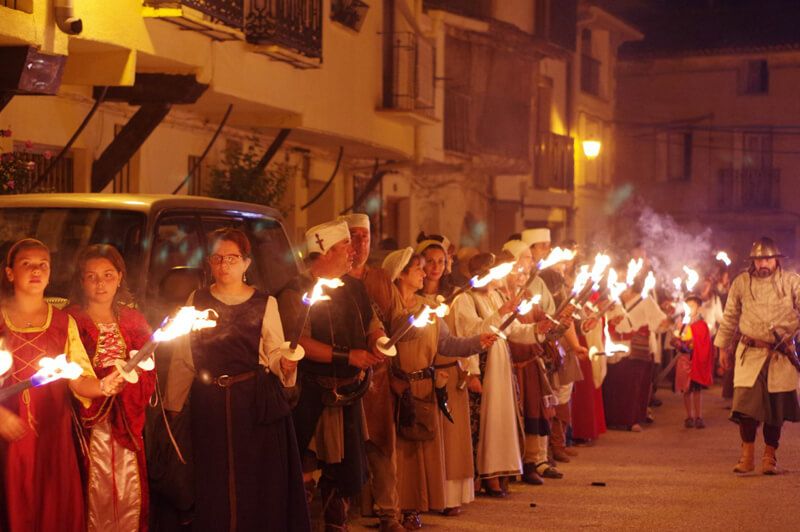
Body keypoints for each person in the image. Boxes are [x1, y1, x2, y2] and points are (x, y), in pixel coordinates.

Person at [165, 228, 309, 531]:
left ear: (245, 263)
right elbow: (183, 358)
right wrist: (173, 407)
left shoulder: (264, 303)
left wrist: (286, 365)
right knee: (212, 479)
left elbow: (273, 354)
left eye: (231, 258)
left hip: (252, 406)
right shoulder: (198, 300)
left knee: (253, 482)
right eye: (217, 258)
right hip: (210, 405)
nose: (224, 265)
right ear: (209, 263)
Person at [0, 238, 124, 532]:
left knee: (52, 509)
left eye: (43, 264)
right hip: (7, 437)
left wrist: (104, 386)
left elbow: (79, 379)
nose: (36, 270)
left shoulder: (62, 322)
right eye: (26, 264)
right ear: (9, 273)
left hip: (52, 434)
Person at [278, 220, 384, 532]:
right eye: (344, 246)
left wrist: (378, 341)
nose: (353, 252)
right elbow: (298, 341)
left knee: (344, 475)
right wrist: (348, 355)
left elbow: (371, 322)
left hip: (348, 393)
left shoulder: (354, 287)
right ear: (324, 251)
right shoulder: (295, 290)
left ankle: (336, 526)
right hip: (311, 395)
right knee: (306, 467)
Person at [382, 249, 495, 530]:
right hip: (394, 385)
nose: (424, 273)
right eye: (418, 268)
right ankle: (388, 509)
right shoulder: (387, 306)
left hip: (423, 386)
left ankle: (411, 507)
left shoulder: (428, 307)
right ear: (402, 274)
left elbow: (447, 344)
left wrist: (476, 342)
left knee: (418, 450)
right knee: (394, 451)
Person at [66, 244, 157, 532]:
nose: (100, 283)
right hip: (89, 424)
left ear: (119, 277)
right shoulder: (70, 319)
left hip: (126, 421)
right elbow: (70, 372)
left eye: (107, 275)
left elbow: (149, 368)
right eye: (91, 276)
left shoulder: (134, 320)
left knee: (128, 491)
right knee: (94, 490)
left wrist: (134, 376)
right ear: (81, 281)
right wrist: (103, 382)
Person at [339, 213, 403, 532]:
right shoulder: (331, 283)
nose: (360, 243)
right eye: (354, 236)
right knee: (343, 446)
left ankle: (388, 511)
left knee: (381, 445)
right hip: (343, 374)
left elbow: (395, 321)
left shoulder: (380, 279)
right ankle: (341, 512)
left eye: (365, 236)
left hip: (378, 377)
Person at [715, 237, 800, 475]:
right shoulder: (741, 282)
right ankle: (747, 455)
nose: (763, 263)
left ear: (776, 260)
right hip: (749, 354)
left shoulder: (792, 282)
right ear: (753, 261)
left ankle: (770, 457)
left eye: (768, 258)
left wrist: (792, 334)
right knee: (745, 408)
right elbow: (730, 316)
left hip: (780, 356)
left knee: (775, 410)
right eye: (759, 259)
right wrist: (722, 348)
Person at [521, 228, 587, 462]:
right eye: (542, 246)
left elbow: (559, 315)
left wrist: (574, 341)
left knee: (559, 397)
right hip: (531, 346)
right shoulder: (533, 279)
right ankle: (541, 453)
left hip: (554, 344)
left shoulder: (547, 278)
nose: (548, 251)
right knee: (546, 399)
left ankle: (554, 446)